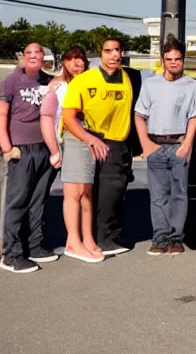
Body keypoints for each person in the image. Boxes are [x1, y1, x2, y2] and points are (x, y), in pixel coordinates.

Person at [62, 38, 133, 256]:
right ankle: (84, 241)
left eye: (117, 51)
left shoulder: (130, 78)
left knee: (105, 194)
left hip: (118, 142)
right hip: (89, 140)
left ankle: (95, 239)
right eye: (108, 51)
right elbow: (68, 116)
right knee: (82, 193)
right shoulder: (83, 80)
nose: (113, 55)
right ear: (99, 54)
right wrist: (90, 139)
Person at [135, 37, 196, 256]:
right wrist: (145, 144)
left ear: (183, 60)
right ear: (162, 60)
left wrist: (188, 145)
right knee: (158, 195)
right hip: (155, 144)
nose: (174, 62)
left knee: (179, 194)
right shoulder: (151, 84)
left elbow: (194, 117)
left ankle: (176, 238)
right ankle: (160, 238)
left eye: (178, 59)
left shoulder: (192, 86)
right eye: (169, 59)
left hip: (179, 145)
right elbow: (139, 115)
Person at [40, 46, 105, 263]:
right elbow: (49, 117)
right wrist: (54, 150)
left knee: (86, 192)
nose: (77, 63)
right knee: (73, 193)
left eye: (81, 59)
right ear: (64, 62)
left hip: (89, 139)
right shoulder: (59, 86)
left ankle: (87, 239)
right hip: (69, 139)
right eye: (72, 59)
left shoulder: (89, 82)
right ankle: (73, 241)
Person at [0, 43, 58, 273]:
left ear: (44, 57)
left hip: (43, 148)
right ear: (23, 57)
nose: (34, 56)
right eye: (29, 53)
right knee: (18, 201)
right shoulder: (12, 80)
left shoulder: (48, 81)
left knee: (37, 201)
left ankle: (34, 246)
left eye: (38, 53)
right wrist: (7, 148)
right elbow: (2, 115)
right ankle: (12, 255)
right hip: (20, 149)